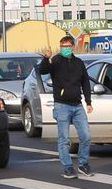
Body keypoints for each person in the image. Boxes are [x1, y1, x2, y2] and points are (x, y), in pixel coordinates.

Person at [37, 35, 94, 179]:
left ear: (73, 46)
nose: (65, 49)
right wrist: (46, 57)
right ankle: (68, 167)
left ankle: (83, 164)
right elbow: (42, 70)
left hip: (77, 105)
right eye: (63, 47)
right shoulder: (55, 60)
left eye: (68, 47)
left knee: (86, 136)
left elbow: (85, 83)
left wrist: (88, 101)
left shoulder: (79, 63)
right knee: (64, 139)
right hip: (62, 105)